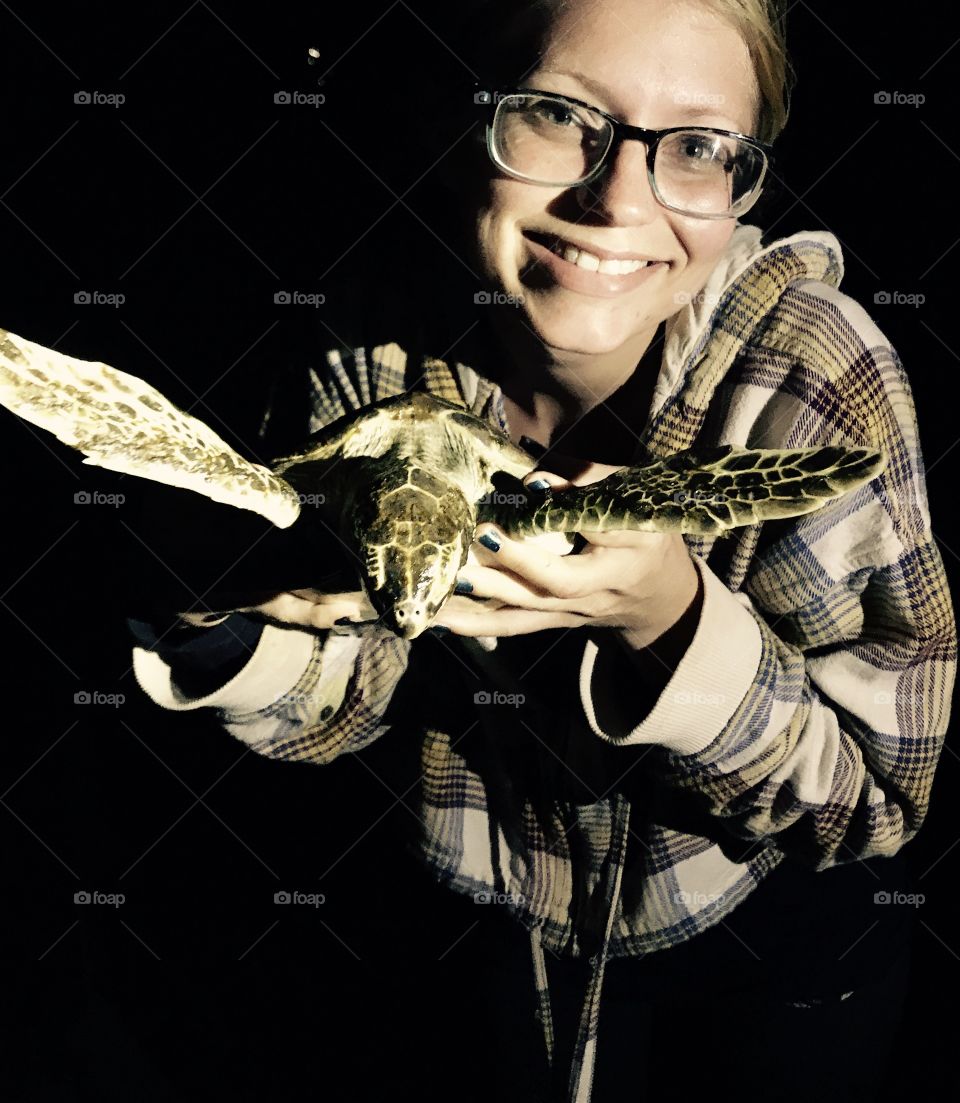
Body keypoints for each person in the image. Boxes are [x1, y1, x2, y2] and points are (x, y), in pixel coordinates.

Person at [127, 1, 956, 1100]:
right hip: (499, 903)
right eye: (562, 117)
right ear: (471, 116)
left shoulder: (812, 380)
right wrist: (250, 648)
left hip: (765, 922)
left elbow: (875, 800)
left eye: (700, 147)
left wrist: (670, 618)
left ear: (748, 178)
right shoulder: (381, 364)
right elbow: (358, 674)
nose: (617, 198)